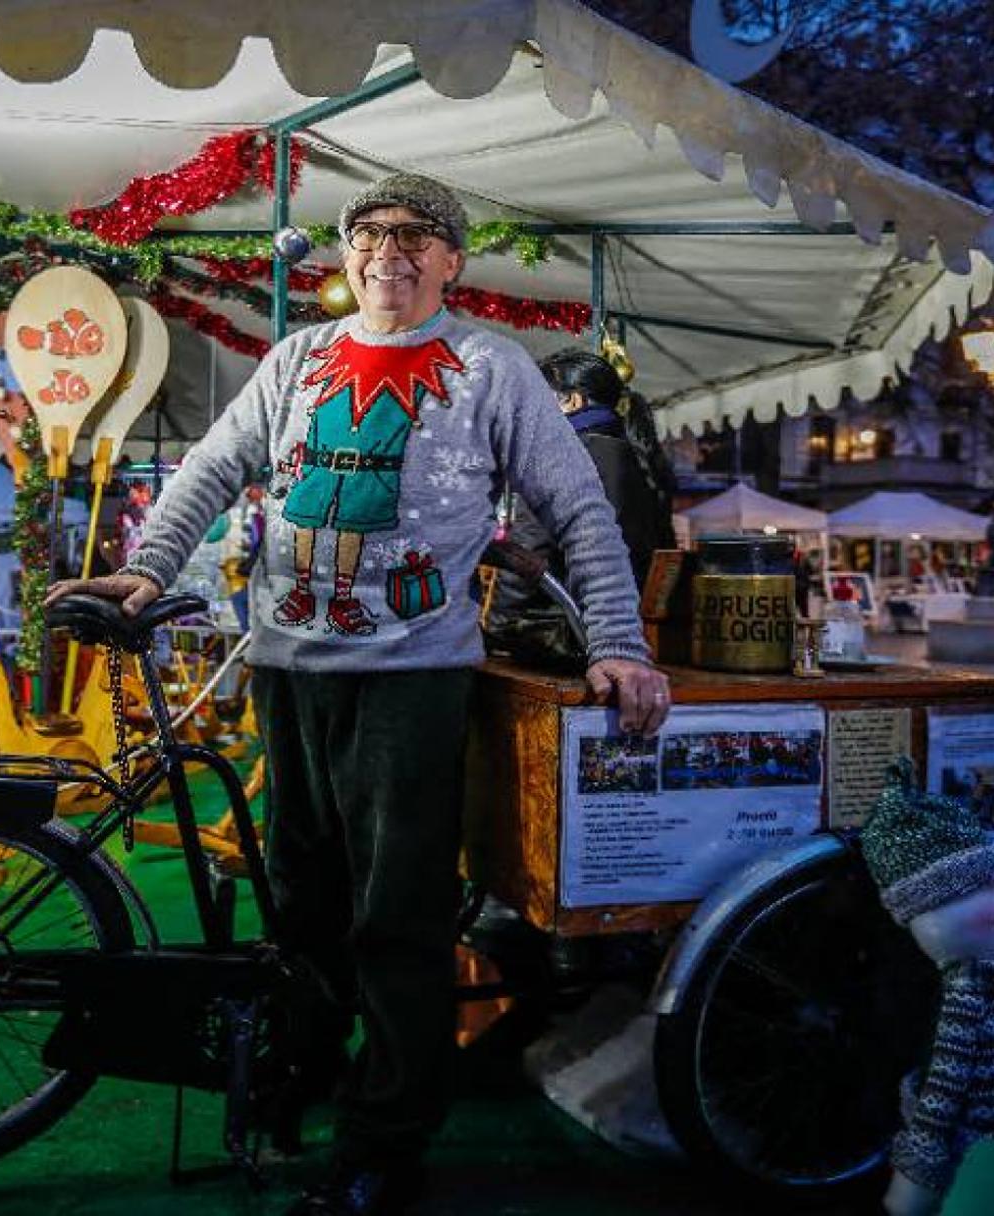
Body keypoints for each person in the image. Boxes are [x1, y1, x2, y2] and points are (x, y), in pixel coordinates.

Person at [49, 173, 669, 1216]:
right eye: (370, 232)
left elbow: (579, 508)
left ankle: (386, 1139)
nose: (390, 250)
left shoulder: (491, 366)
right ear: (346, 255)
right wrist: (149, 566)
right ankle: (304, 1069)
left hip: (412, 682)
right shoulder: (297, 358)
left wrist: (616, 641)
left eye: (417, 233)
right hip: (289, 671)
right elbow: (212, 466)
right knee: (302, 900)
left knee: (398, 915)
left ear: (453, 260)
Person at [485, 347, 676, 665]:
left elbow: (527, 554)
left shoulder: (561, 457)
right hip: (633, 635)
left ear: (573, 401)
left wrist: (497, 627)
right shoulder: (641, 457)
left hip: (572, 638)